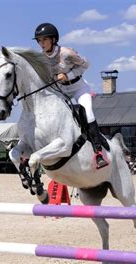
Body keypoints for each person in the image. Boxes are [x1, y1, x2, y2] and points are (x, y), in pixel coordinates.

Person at [33, 22, 108, 169]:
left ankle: (98, 153)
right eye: (39, 41)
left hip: (79, 87)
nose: (41, 44)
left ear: (53, 39)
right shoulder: (41, 58)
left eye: (44, 40)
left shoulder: (67, 53)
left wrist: (68, 74)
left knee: (88, 114)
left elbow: (86, 64)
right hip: (61, 90)